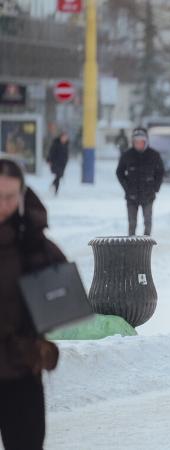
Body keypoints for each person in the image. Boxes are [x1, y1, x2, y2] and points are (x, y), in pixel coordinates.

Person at [0, 158, 64, 450]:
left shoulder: (33, 243)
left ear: (22, 196)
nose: (2, 205)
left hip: (21, 371)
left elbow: (63, 296)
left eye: (9, 197)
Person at [116, 128, 165, 236]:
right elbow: (119, 172)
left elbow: (160, 172)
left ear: (146, 142)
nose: (139, 144)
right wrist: (126, 187)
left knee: (147, 222)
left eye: (141, 141)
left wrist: (155, 187)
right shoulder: (127, 155)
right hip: (131, 196)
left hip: (148, 195)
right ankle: (131, 247)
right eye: (136, 142)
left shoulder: (154, 155)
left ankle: (146, 245)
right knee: (132, 223)